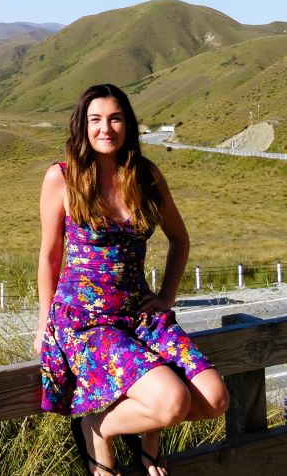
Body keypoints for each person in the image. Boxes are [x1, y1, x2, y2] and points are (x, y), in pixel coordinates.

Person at [35, 84, 228, 475]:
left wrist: (166, 296)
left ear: (128, 124)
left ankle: (121, 425)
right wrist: (45, 323)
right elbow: (50, 255)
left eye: (115, 118)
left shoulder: (146, 176)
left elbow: (180, 239)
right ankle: (98, 428)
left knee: (214, 398)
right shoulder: (62, 178)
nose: (105, 128)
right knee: (171, 401)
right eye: (95, 120)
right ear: (82, 126)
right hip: (86, 321)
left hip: (140, 315)